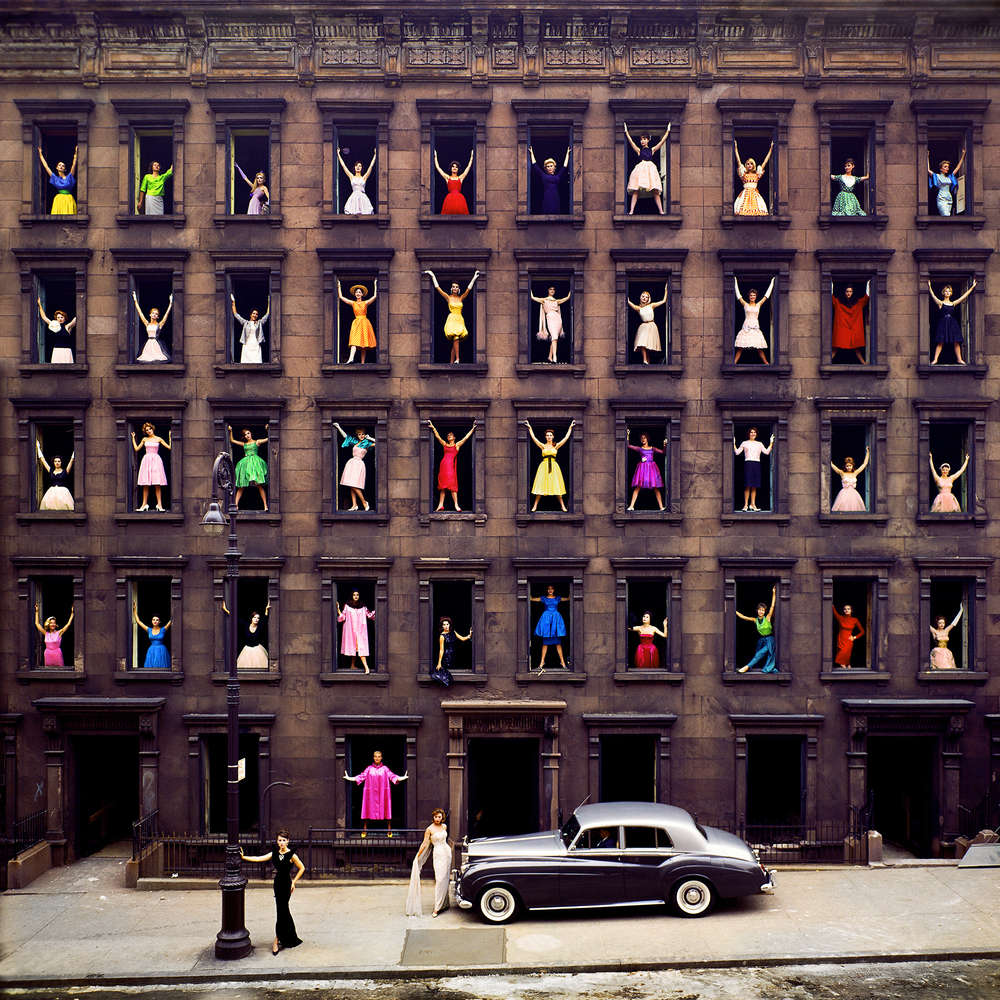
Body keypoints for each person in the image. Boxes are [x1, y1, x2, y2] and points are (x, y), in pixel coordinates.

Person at [240, 830, 304, 954]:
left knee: (282, 911)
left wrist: (294, 882)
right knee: (283, 911)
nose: (282, 843)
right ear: (277, 841)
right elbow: (259, 858)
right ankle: (290, 936)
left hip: (286, 885)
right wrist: (243, 857)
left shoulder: (292, 855)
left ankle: (276, 940)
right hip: (277, 884)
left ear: (288, 841)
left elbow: (302, 868)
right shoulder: (274, 853)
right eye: (280, 840)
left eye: (284, 840)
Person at [344, 749, 408, 837]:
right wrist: (349, 778)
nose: (377, 758)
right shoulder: (369, 769)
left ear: (381, 758)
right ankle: (364, 830)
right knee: (367, 810)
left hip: (383, 794)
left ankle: (389, 830)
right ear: (373, 758)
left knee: (386, 810)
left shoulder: (385, 769)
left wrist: (402, 777)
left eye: (379, 756)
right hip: (371, 795)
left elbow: (392, 776)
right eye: (375, 756)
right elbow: (361, 776)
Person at [423, 269, 479, 365]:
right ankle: (458, 359)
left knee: (455, 340)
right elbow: (438, 288)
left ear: (458, 289)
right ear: (451, 288)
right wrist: (432, 276)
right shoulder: (448, 298)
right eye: (453, 287)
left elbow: (468, 290)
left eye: (456, 287)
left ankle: (451, 362)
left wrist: (474, 277)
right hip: (452, 319)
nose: (455, 288)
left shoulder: (461, 298)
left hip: (459, 319)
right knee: (456, 338)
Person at [405, 809, 453, 917]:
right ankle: (437, 907)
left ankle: (444, 904)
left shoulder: (444, 826)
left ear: (442, 817)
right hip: (438, 854)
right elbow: (425, 843)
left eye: (439, 817)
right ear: (433, 817)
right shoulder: (429, 829)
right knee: (440, 879)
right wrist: (418, 855)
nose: (437, 819)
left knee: (445, 878)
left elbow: (446, 840)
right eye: (436, 817)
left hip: (447, 853)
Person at [525, 419, 574, 513]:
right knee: (541, 485)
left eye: (550, 435)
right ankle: (535, 505)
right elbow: (534, 438)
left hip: (554, 467)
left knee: (556, 485)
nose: (549, 437)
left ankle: (562, 506)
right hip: (543, 467)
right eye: (547, 435)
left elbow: (566, 438)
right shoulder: (543, 446)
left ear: (553, 436)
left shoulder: (556, 446)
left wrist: (570, 428)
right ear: (545, 437)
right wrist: (530, 428)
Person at [427, 420, 476, 511]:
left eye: (450, 435)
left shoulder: (457, 445)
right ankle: (440, 505)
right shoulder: (445, 444)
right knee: (442, 487)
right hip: (443, 467)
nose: (449, 436)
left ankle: (456, 505)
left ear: (454, 437)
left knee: (452, 486)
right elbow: (438, 437)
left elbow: (466, 438)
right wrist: (433, 427)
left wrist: (473, 429)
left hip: (450, 468)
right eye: (448, 435)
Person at [623, 122, 670, 215]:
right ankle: (631, 211)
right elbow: (631, 142)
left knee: (655, 190)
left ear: (648, 140)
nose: (642, 141)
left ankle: (661, 211)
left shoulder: (652, 150)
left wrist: (668, 131)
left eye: (644, 139)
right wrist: (626, 132)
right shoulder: (639, 151)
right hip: (641, 170)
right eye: (641, 139)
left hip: (650, 170)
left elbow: (661, 142)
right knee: (636, 189)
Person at [928, 280, 975, 365]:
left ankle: (959, 359)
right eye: (946, 291)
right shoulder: (940, 303)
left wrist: (972, 287)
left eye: (949, 291)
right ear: (943, 293)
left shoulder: (953, 303)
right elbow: (933, 296)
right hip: (943, 324)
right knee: (940, 341)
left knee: (956, 341)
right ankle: (935, 359)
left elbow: (963, 297)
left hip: (952, 324)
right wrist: (929, 286)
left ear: (951, 293)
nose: (947, 292)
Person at [333, 423, 374, 511]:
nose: (361, 436)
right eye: (359, 434)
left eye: (363, 434)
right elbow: (345, 436)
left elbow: (379, 442)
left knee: (354, 484)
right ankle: (354, 505)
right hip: (351, 463)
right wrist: (338, 427)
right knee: (350, 484)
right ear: (357, 435)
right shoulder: (355, 442)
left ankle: (364, 502)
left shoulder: (366, 443)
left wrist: (369, 438)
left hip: (359, 464)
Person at [734, 277, 775, 365]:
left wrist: (772, 282)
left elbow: (766, 296)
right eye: (751, 295)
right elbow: (738, 295)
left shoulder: (758, 305)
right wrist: (735, 281)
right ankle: (734, 363)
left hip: (755, 327)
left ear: (756, 297)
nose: (752, 297)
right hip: (746, 327)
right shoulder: (745, 304)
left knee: (759, 348)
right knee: (741, 347)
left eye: (754, 295)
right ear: (749, 296)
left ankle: (766, 363)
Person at [737, 586, 777, 673]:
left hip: (770, 640)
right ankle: (754, 667)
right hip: (762, 640)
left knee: (760, 654)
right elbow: (744, 617)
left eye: (763, 610)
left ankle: (746, 667)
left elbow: (772, 606)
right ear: (757, 611)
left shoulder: (767, 618)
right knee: (758, 654)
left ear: (764, 611)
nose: (761, 611)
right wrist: (733, 610)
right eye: (760, 610)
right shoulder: (755, 620)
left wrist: (774, 593)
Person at [131, 422, 171, 511]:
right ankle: (144, 505)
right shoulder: (145, 439)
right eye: (147, 430)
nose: (149, 431)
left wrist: (170, 437)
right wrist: (133, 438)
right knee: (146, 484)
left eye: (150, 429)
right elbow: (137, 449)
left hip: (156, 460)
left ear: (153, 429)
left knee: (157, 483)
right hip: (147, 460)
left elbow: (169, 447)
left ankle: (159, 505)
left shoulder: (159, 439)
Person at [336, 279, 377, 364]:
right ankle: (351, 359)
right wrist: (339, 285)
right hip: (356, 323)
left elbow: (374, 297)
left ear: (362, 294)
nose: (358, 293)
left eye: (359, 292)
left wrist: (375, 285)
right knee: (354, 341)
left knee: (363, 345)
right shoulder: (353, 303)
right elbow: (341, 297)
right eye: (356, 292)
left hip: (364, 323)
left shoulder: (365, 303)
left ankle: (362, 362)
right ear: (355, 294)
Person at [734, 427, 774, 512]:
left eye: (754, 432)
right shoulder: (745, 443)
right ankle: (745, 505)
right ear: (748, 434)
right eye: (751, 432)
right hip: (748, 463)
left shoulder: (759, 443)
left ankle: (753, 505)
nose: (753, 434)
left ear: (756, 434)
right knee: (748, 485)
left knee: (754, 486)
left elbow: (766, 452)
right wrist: (733, 443)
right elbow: (737, 453)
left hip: (757, 464)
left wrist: (771, 442)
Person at [229, 426, 269, 511]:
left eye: (248, 433)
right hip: (246, 464)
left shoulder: (257, 442)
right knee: (242, 485)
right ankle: (235, 505)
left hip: (255, 463)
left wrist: (268, 429)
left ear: (251, 433)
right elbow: (232, 440)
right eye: (245, 434)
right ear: (244, 437)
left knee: (259, 485)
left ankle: (265, 505)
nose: (247, 435)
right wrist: (230, 430)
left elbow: (268, 439)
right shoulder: (244, 444)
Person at [626, 430, 667, 511]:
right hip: (643, 469)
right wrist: (627, 435)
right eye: (641, 438)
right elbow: (628, 446)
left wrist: (665, 445)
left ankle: (661, 507)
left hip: (651, 469)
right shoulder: (640, 449)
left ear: (647, 438)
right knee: (638, 487)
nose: (643, 439)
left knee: (655, 487)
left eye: (644, 438)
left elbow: (663, 452)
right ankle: (631, 506)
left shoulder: (652, 448)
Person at [530, 285, 571, 364]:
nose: (552, 290)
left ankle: (550, 356)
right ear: (548, 291)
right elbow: (533, 297)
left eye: (553, 289)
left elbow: (567, 298)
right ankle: (555, 357)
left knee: (554, 338)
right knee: (554, 337)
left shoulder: (556, 301)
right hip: (550, 318)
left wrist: (571, 290)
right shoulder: (544, 300)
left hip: (558, 319)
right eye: (550, 289)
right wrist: (529, 288)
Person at [531, 584, 567, 672]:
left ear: (554, 590)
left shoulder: (557, 598)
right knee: (545, 642)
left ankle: (563, 662)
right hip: (547, 620)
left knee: (558, 642)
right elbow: (532, 599)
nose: (550, 590)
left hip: (555, 618)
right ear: (547, 590)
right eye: (548, 589)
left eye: (552, 589)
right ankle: (542, 662)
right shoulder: (544, 598)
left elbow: (568, 598)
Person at [733, 138, 773, 216]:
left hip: (754, 195)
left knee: (757, 212)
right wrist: (735, 148)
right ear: (746, 166)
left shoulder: (756, 174)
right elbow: (738, 161)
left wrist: (771, 150)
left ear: (753, 165)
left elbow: (765, 162)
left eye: (751, 163)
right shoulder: (743, 174)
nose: (749, 165)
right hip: (745, 194)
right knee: (742, 211)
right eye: (747, 164)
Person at [831, 282, 869, 364]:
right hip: (843, 329)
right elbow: (831, 298)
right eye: (847, 291)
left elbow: (866, 298)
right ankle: (827, 362)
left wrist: (868, 285)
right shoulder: (838, 303)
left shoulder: (858, 303)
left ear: (853, 292)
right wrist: (830, 285)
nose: (849, 293)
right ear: (844, 292)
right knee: (836, 348)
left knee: (856, 348)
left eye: (850, 291)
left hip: (852, 329)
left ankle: (864, 363)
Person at [627, 288, 668, 365]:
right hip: (643, 326)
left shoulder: (651, 305)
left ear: (648, 299)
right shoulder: (638, 308)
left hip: (651, 326)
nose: (644, 298)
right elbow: (630, 303)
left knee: (647, 345)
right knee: (642, 343)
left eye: (646, 297)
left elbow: (663, 301)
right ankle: (645, 360)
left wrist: (666, 290)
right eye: (643, 296)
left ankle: (647, 362)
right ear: (640, 297)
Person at [337, 590, 375, 673]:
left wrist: (378, 609)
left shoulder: (363, 607)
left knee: (361, 648)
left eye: (357, 594)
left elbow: (369, 615)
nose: (356, 596)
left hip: (360, 632)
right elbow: (343, 617)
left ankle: (366, 668)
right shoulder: (347, 606)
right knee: (355, 648)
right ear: (352, 596)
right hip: (351, 632)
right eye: (354, 595)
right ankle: (353, 665)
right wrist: (338, 609)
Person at [132, 290, 173, 363]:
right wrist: (135, 300)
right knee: (146, 359)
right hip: (148, 345)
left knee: (157, 359)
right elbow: (140, 313)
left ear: (157, 317)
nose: (154, 315)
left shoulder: (159, 325)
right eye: (153, 313)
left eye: (156, 314)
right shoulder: (147, 323)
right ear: (150, 314)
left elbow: (166, 315)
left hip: (156, 344)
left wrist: (170, 303)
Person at [528, 145, 570, 214]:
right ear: (545, 168)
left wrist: (567, 153)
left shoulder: (558, 175)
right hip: (547, 197)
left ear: (554, 167)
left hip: (555, 196)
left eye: (551, 166)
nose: (549, 168)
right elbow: (535, 165)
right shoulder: (543, 175)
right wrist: (531, 152)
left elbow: (564, 166)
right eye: (547, 166)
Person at [37, 143, 78, 214]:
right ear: (57, 168)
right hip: (59, 200)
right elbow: (46, 167)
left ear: (65, 169)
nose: (61, 166)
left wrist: (76, 153)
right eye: (59, 165)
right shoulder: (55, 178)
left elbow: (74, 165)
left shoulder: (69, 177)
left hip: (68, 199)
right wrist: (40, 155)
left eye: (63, 166)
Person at [231, 294, 270, 365]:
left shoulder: (259, 323)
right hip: (247, 344)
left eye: (256, 314)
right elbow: (236, 315)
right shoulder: (245, 323)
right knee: (246, 362)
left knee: (257, 363)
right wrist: (233, 303)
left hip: (256, 345)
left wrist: (269, 301)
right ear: (250, 314)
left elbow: (267, 314)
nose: (255, 315)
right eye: (253, 313)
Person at [36, 441, 75, 510]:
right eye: (55, 461)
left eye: (59, 461)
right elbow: (43, 460)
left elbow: (71, 460)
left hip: (63, 493)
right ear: (53, 462)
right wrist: (38, 447)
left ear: (61, 462)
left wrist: (76, 447)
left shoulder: (65, 471)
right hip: (51, 492)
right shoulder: (51, 470)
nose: (57, 463)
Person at [36, 298, 77, 364]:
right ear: (56, 318)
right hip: (57, 351)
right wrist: (40, 304)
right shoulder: (53, 325)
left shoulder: (67, 327)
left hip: (67, 351)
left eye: (62, 317)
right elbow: (44, 317)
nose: (60, 319)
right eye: (58, 317)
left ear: (64, 318)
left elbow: (76, 319)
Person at [927, 147, 966, 216]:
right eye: (945, 166)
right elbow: (928, 169)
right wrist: (927, 157)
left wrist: (963, 155)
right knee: (945, 214)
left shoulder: (949, 177)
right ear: (941, 168)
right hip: (941, 198)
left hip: (949, 197)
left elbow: (958, 167)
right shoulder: (937, 176)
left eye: (947, 167)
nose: (947, 168)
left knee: (948, 215)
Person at [132, 602, 171, 669]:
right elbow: (138, 621)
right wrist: (134, 610)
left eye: (157, 620)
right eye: (153, 619)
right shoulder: (149, 630)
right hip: (152, 650)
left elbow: (171, 620)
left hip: (161, 650)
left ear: (159, 622)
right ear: (151, 621)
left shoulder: (163, 629)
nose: (155, 621)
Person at [433, 616, 470, 687]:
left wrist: (469, 636)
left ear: (449, 624)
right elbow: (441, 650)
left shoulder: (453, 632)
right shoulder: (442, 636)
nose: (446, 626)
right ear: (442, 626)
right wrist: (439, 663)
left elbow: (462, 638)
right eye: (444, 625)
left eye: (447, 624)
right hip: (446, 656)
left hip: (453, 654)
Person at [338, 148, 376, 215]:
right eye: (356, 166)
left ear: (361, 168)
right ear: (354, 167)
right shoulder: (351, 176)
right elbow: (343, 166)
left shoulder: (364, 177)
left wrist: (375, 155)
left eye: (360, 166)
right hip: (354, 198)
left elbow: (371, 166)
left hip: (362, 198)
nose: (358, 167)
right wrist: (338, 154)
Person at [434, 149, 473, 214]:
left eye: (456, 167)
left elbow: (468, 168)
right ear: (451, 168)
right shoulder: (447, 178)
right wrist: (435, 156)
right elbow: (438, 168)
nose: (454, 168)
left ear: (458, 169)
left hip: (460, 199)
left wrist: (472, 157)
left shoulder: (460, 178)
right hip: (449, 199)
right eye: (453, 166)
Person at [831, 448, 870, 512]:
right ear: (845, 466)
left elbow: (864, 464)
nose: (849, 467)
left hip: (854, 495)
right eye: (847, 466)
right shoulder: (842, 473)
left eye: (850, 466)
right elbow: (833, 466)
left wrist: (868, 453)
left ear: (852, 466)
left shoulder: (855, 473)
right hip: (843, 494)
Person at [34, 603, 74, 667]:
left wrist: (72, 613)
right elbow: (37, 624)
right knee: (48, 672)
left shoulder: (59, 633)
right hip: (47, 654)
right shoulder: (45, 633)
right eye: (51, 623)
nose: (52, 624)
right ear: (48, 624)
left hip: (57, 654)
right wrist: (37, 611)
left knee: (60, 671)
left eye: (54, 623)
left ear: (55, 625)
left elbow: (68, 624)